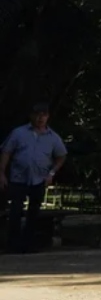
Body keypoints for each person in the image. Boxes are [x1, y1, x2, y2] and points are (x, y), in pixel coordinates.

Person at [1, 103, 67, 254]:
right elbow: (6, 152)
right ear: (31, 115)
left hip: (39, 179)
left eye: (43, 115)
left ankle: (29, 243)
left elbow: (61, 156)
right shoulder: (19, 133)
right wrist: (2, 173)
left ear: (48, 116)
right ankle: (13, 244)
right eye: (37, 114)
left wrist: (52, 173)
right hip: (18, 177)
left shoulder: (53, 137)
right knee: (15, 211)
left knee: (34, 212)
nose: (40, 118)